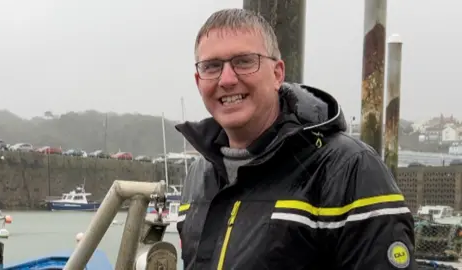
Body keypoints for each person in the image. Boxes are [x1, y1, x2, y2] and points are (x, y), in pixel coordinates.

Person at [175, 8, 416, 270]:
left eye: (244, 61)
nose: (227, 79)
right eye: (212, 66)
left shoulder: (349, 169)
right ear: (199, 81)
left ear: (278, 73)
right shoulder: (199, 175)